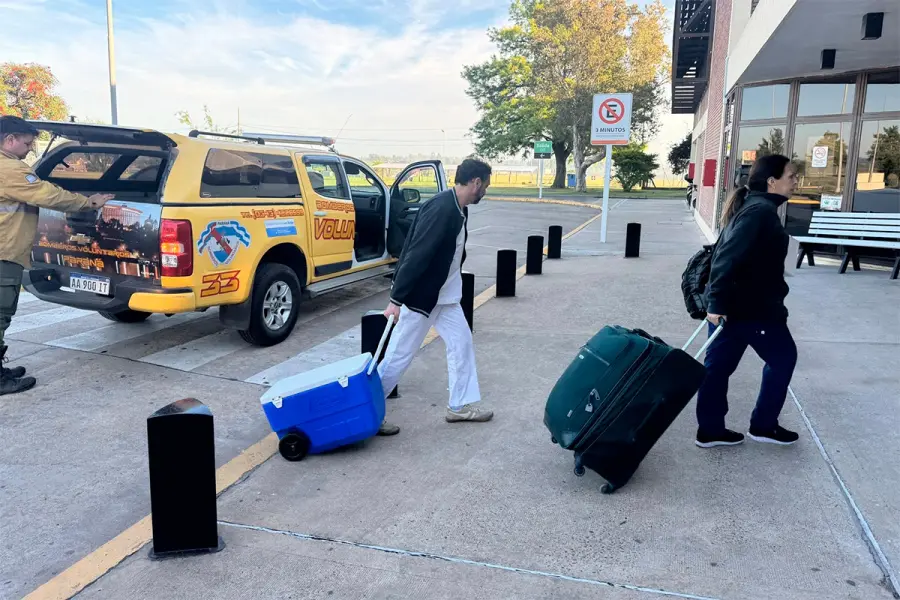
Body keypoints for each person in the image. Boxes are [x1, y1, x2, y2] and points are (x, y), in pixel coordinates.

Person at [376, 158, 494, 435]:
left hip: (445, 297)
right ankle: (366, 410)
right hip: (422, 298)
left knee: (461, 343)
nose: (486, 191)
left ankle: (460, 406)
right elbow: (416, 254)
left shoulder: (458, 208)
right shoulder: (442, 209)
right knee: (398, 355)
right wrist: (396, 299)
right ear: (475, 182)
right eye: (485, 185)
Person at [694, 153, 801, 448]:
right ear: (772, 181)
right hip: (753, 310)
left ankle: (711, 430)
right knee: (783, 358)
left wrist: (718, 304)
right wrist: (715, 304)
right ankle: (763, 426)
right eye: (790, 176)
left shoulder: (755, 208)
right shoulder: (759, 213)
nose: (795, 181)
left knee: (717, 367)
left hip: (735, 307)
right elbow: (726, 257)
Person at [0, 116, 112, 395]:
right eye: (26, 144)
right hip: (3, 253)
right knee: (0, 314)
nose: (29, 150)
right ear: (9, 140)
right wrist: (89, 202)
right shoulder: (9, 169)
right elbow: (46, 194)